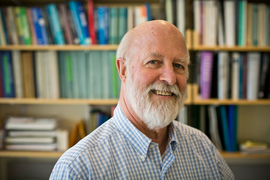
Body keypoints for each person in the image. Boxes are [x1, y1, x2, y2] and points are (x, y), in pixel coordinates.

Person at [50, 20, 234, 180]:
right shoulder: (78, 168)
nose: (170, 78)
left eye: (179, 65)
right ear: (123, 70)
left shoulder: (203, 148)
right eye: (154, 62)